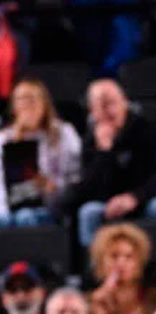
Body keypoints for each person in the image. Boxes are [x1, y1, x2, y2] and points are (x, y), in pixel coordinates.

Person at [59, 80, 156, 246]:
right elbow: (87, 188)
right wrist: (104, 152)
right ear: (91, 110)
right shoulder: (90, 141)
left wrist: (135, 197)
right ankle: (92, 262)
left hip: (143, 198)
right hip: (107, 202)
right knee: (88, 212)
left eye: (112, 103)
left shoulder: (146, 130)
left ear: (125, 102)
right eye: (101, 106)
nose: (109, 112)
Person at [0, 78, 82, 232]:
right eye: (20, 99)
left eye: (31, 99)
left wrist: (54, 187)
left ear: (44, 103)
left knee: (26, 217)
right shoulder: (3, 138)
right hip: (13, 203)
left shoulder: (64, 132)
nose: (26, 105)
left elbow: (75, 176)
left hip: (51, 204)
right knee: (0, 220)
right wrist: (4, 210)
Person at [88, 223, 156, 314]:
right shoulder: (88, 303)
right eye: (114, 256)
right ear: (101, 262)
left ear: (140, 263)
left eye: (129, 257)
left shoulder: (152, 299)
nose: (121, 263)